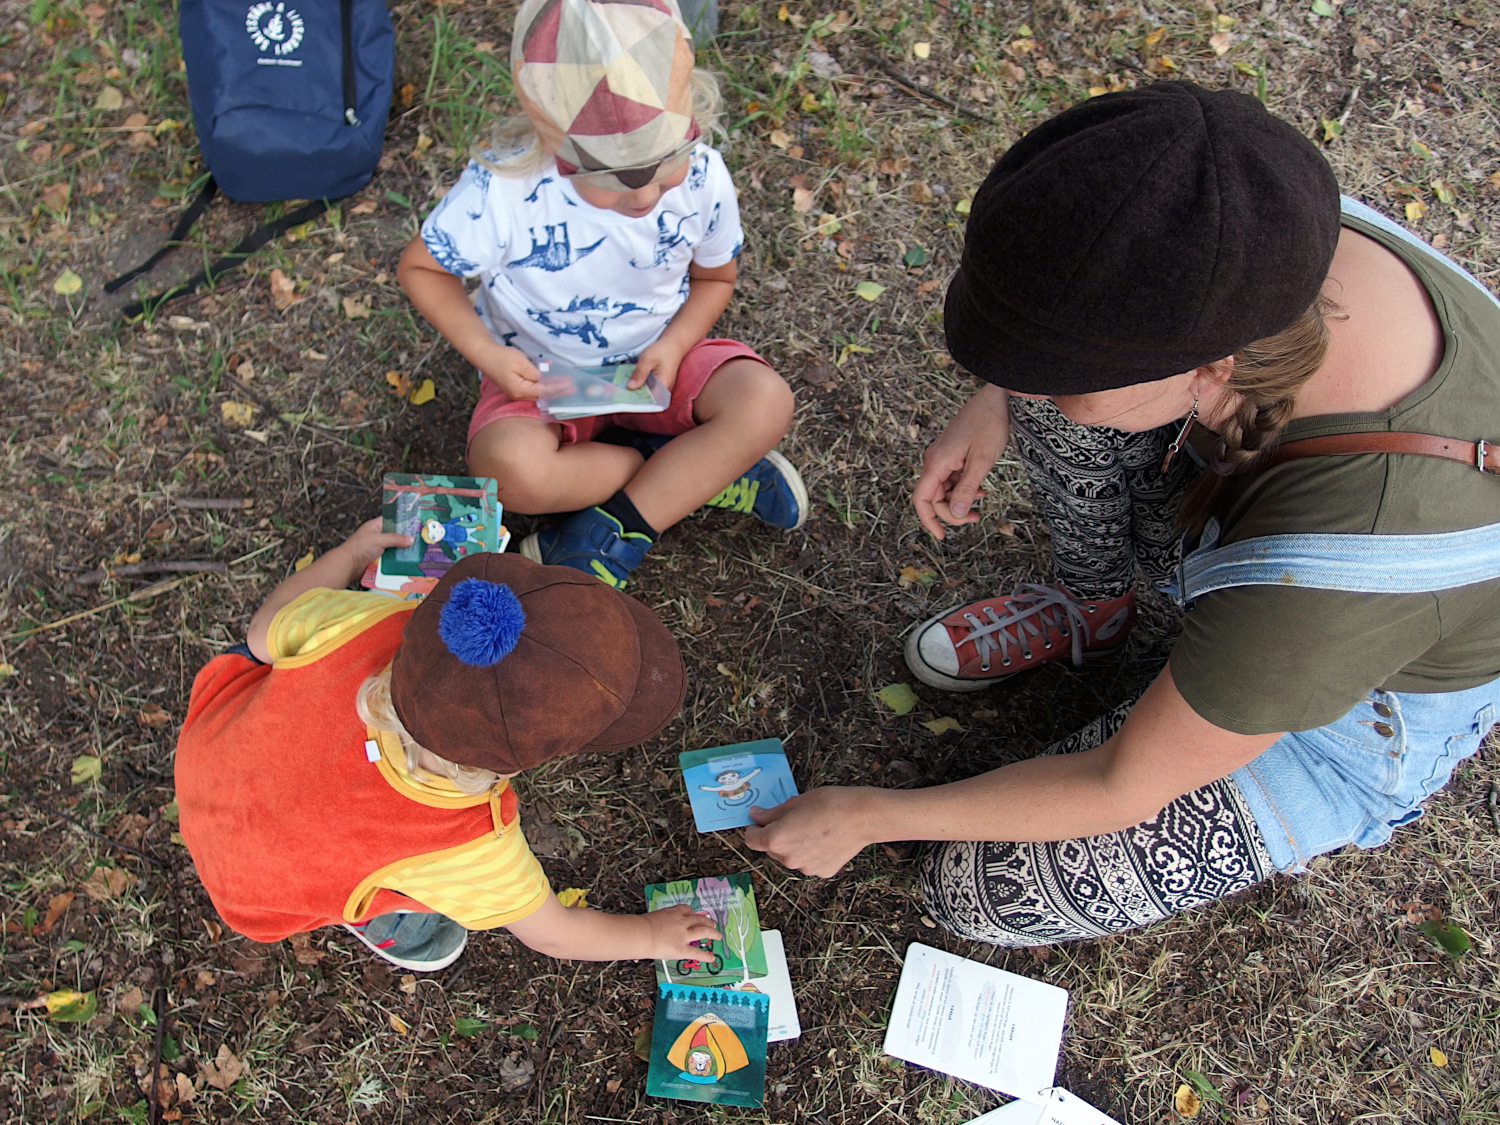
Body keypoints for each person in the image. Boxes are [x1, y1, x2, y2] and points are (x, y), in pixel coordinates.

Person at [745, 82, 1500, 945]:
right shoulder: (1241, 227)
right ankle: (1102, 613)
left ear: (1209, 371)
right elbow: (1086, 304)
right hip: (1267, 572)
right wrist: (1001, 392)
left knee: (984, 890)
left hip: (1345, 719)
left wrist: (873, 813)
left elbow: (1120, 784)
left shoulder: (1346, 561)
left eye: (1057, 372)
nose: (1030, 389)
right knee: (1071, 408)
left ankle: (1180, 666)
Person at [174, 521, 719, 970]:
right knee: (398, 885)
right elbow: (554, 933)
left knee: (275, 655)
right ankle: (387, 920)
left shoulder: (370, 623)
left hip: (213, 749)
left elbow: (260, 633)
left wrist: (349, 554)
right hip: (256, 887)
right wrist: (651, 936)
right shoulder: (467, 843)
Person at [397, 0, 805, 591]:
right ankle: (679, 471)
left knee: (764, 402)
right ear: (551, 143)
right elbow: (422, 269)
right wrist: (490, 357)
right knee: (509, 473)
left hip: (660, 362)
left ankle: (618, 527)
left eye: (665, 165)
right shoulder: (503, 188)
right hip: (540, 381)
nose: (645, 197)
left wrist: (677, 343)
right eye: (611, 181)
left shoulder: (703, 176)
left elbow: (715, 279)